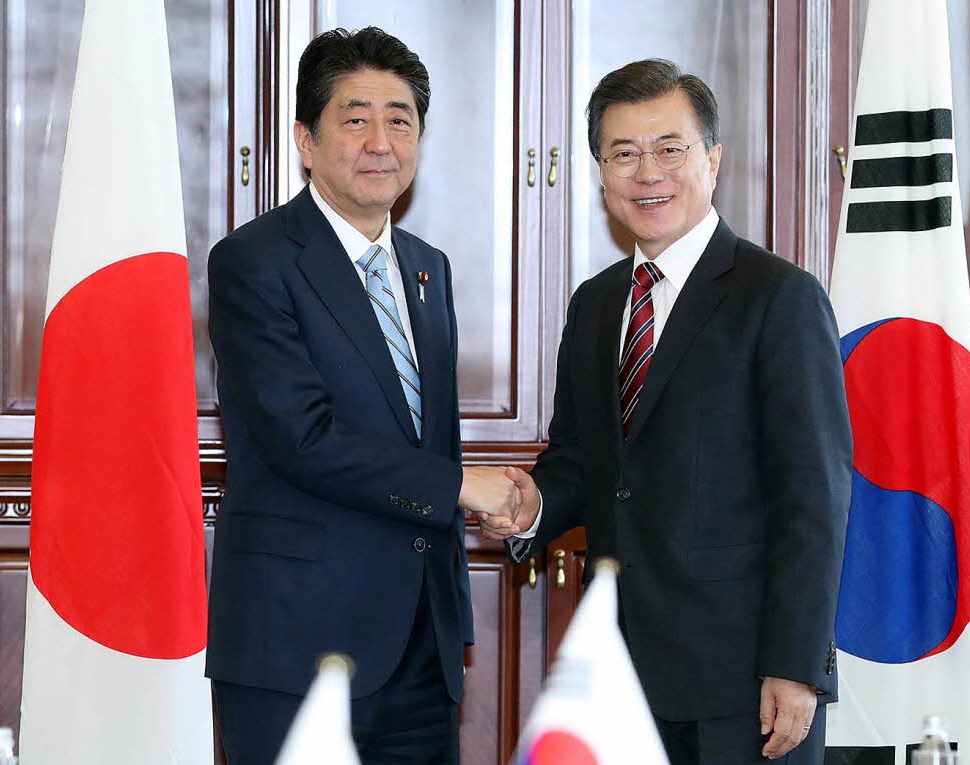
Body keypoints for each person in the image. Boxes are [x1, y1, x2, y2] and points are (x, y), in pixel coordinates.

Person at [481, 59, 852, 764]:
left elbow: (815, 494)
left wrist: (797, 664)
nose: (646, 171)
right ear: (600, 173)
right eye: (624, 153)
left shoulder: (778, 297)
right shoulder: (594, 305)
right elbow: (579, 463)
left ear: (712, 160)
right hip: (617, 679)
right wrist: (532, 505)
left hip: (742, 680)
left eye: (669, 148)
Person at [205, 27, 518, 764]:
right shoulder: (254, 262)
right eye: (355, 118)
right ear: (305, 142)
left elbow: (425, 436)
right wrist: (462, 488)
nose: (382, 140)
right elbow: (301, 438)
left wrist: (480, 499)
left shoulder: (427, 268)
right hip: (296, 646)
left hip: (421, 646)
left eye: (401, 118)